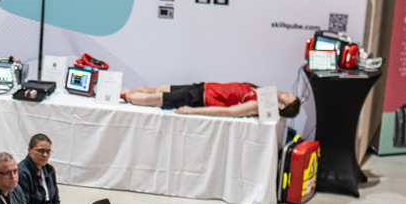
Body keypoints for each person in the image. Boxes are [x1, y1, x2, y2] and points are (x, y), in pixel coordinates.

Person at [120, 83, 302, 118]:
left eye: (287, 96)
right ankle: (126, 91)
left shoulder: (255, 105)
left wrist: (191, 111)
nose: (285, 92)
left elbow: (228, 112)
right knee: (157, 89)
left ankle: (125, 97)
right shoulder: (258, 92)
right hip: (203, 87)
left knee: (155, 98)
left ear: (281, 105)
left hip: (200, 98)